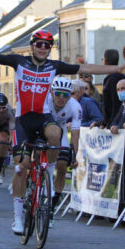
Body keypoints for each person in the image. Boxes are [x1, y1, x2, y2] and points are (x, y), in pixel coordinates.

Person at [0, 28, 125, 234]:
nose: (42, 48)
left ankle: (47, 171)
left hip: (43, 118)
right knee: (21, 167)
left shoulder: (54, 66)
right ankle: (18, 216)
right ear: (32, 46)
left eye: (47, 45)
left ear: (50, 49)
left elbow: (84, 66)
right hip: (22, 121)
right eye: (39, 44)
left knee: (55, 134)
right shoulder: (18, 62)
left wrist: (116, 68)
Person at [46, 77, 81, 228]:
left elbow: (75, 133)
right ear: (52, 92)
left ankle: (51, 208)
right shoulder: (45, 100)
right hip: (43, 127)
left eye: (65, 95)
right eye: (58, 94)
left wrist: (74, 155)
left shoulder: (75, 107)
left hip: (59, 131)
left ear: (70, 95)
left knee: (62, 166)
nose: (61, 98)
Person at [100, 49, 125, 129]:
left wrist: (110, 123)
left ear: (105, 62)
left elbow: (114, 104)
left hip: (113, 125)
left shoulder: (112, 80)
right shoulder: (116, 78)